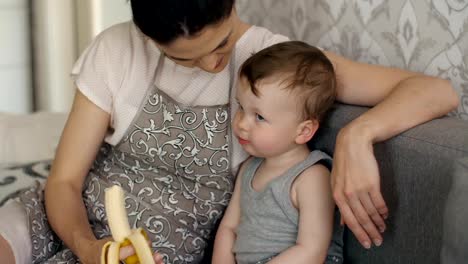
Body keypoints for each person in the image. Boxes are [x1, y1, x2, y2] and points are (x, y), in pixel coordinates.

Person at [0, 0, 459, 263]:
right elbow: (63, 182)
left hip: (156, 248)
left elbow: (435, 91)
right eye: (184, 58)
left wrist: (357, 135)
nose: (213, 65)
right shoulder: (116, 48)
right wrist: (84, 245)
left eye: (221, 44)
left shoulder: (281, 65)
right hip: (69, 213)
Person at [212, 41, 339, 264]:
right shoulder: (249, 168)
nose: (241, 123)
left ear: (303, 131)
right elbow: (229, 228)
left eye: (259, 117)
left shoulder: (312, 177)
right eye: (241, 107)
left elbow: (311, 250)